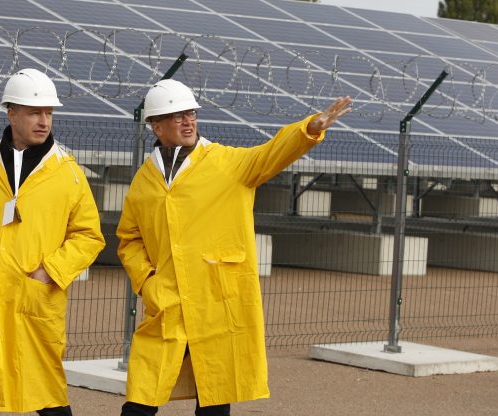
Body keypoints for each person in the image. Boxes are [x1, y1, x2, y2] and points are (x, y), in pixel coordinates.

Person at [116, 79, 351, 416]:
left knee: (214, 396)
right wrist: (148, 282)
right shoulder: (145, 179)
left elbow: (271, 153)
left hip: (216, 300)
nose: (188, 122)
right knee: (141, 397)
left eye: (191, 114)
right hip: (167, 302)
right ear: (157, 126)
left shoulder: (227, 163)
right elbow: (130, 238)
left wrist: (308, 130)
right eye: (177, 116)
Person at [0, 68, 106, 416]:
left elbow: (89, 235)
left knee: (47, 396)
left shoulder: (68, 173)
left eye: (48, 113)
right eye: (34, 112)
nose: (44, 121)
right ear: (11, 113)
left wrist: (50, 271)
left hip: (35, 299)